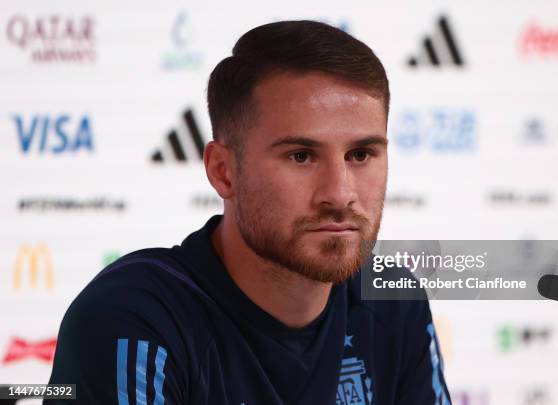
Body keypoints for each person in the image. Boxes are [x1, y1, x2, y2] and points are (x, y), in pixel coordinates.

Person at [45, 20, 451, 404]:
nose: (340, 194)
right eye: (301, 156)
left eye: (361, 154)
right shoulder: (135, 316)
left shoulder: (393, 302)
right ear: (223, 171)